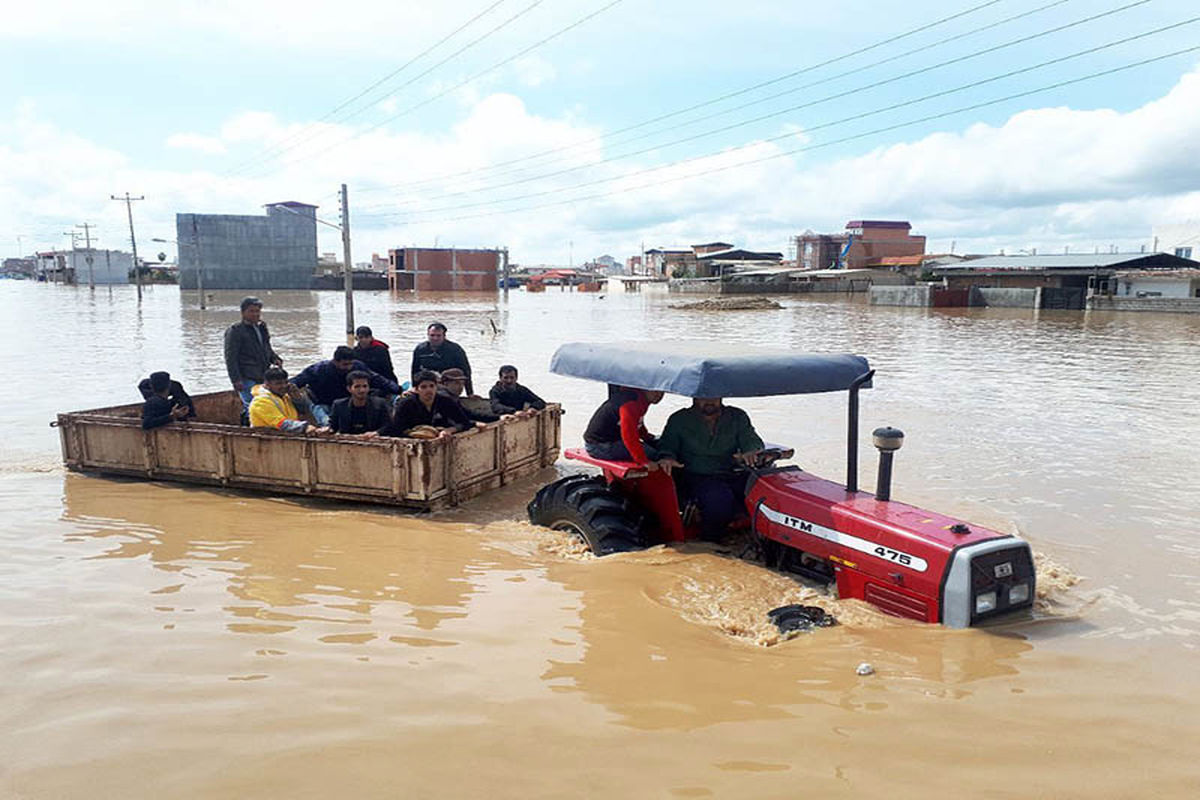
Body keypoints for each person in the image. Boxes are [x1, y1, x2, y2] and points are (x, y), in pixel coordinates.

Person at [657, 397, 765, 541]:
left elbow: (752, 441)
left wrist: (751, 451)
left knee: (762, 491)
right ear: (694, 398)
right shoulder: (679, 419)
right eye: (704, 397)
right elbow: (667, 446)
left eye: (714, 397)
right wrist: (667, 458)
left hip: (731, 472)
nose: (709, 401)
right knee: (719, 500)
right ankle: (710, 541)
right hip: (695, 475)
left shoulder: (737, 416)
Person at [292, 345, 402, 427]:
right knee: (326, 423)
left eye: (350, 364)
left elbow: (376, 379)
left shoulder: (357, 366)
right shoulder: (318, 370)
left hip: (346, 403)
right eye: (345, 364)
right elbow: (296, 381)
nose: (349, 367)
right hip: (323, 402)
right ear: (335, 361)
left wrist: (398, 389)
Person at [224, 296, 282, 418]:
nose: (255, 314)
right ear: (243, 312)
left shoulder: (262, 328)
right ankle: (248, 426)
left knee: (264, 404)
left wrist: (275, 358)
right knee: (252, 406)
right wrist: (235, 380)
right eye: (251, 311)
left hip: (263, 374)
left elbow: (266, 347)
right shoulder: (235, 331)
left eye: (257, 311)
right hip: (246, 376)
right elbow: (230, 358)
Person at [582, 386, 666, 469]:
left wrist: (647, 438)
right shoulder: (631, 403)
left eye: (662, 392)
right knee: (653, 455)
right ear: (645, 389)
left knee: (656, 443)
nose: (659, 395)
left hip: (610, 440)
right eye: (655, 391)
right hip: (598, 446)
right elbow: (629, 436)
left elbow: (636, 422)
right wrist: (644, 461)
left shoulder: (640, 398)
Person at [385, 370, 471, 439]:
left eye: (432, 386)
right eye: (423, 387)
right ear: (416, 390)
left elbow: (464, 422)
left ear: (436, 387)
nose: (429, 390)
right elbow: (396, 428)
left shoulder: (445, 401)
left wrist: (449, 430)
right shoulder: (406, 404)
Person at [249, 367, 328, 434]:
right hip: (268, 437)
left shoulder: (285, 396)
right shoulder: (261, 401)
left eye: (286, 382)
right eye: (278, 383)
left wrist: (297, 398)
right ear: (267, 384)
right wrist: (305, 427)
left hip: (286, 434)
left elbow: (304, 411)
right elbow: (281, 424)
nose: (284, 386)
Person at [411, 322, 473, 394]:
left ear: (444, 336)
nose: (435, 338)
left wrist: (470, 393)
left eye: (438, 336)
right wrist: (414, 387)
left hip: (449, 383)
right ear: (428, 335)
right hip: (428, 382)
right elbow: (414, 370)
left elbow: (466, 371)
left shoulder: (455, 349)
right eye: (432, 335)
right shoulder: (420, 349)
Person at [329, 370, 392, 436]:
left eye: (365, 386)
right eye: (357, 386)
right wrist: (327, 430)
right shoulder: (339, 405)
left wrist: (376, 432)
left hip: (372, 440)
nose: (362, 390)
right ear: (349, 389)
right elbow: (333, 426)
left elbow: (388, 426)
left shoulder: (380, 404)